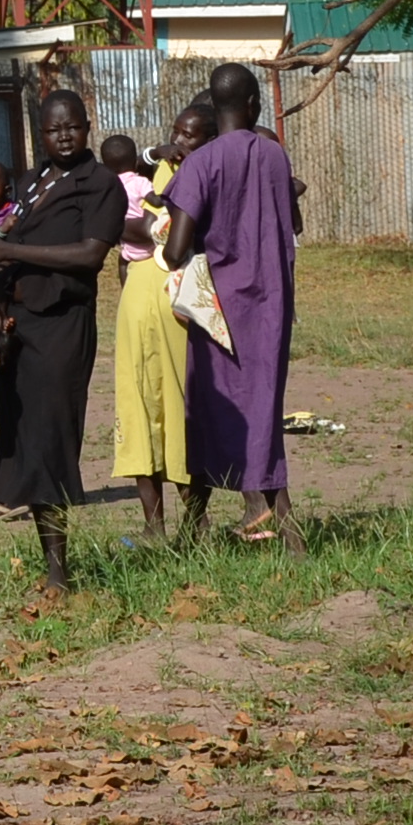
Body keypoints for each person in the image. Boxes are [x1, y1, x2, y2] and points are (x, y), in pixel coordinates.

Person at [0, 91, 123, 593]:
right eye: (54, 130)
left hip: (62, 324)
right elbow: (1, 236)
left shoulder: (100, 185)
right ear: (41, 132)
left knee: (52, 439)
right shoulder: (29, 182)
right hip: (19, 327)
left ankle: (59, 571)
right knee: (25, 439)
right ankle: (50, 562)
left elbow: (89, 255)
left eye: (72, 127)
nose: (63, 136)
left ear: (88, 126)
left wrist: (8, 248)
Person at [166, 62, 301, 546]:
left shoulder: (199, 164)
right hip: (270, 301)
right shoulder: (274, 156)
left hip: (216, 309)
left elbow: (175, 249)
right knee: (263, 404)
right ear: (253, 104)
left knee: (207, 406)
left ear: (213, 104)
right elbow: (294, 223)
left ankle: (201, 524)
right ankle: (283, 532)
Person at [115, 102, 213, 541]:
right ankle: (153, 527)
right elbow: (133, 204)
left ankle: (195, 519)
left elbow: (167, 234)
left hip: (182, 299)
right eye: (176, 132)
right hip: (139, 292)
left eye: (190, 136)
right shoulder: (164, 168)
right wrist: (157, 157)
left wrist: (142, 224)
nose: (180, 143)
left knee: (180, 404)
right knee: (139, 403)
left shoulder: (210, 174)